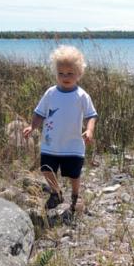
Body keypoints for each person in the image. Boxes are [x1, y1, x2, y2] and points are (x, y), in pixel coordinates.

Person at [23, 45, 97, 214]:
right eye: (61, 73)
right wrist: (32, 126)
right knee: (46, 169)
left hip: (72, 144)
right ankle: (56, 193)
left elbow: (91, 115)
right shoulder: (50, 93)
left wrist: (90, 130)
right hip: (51, 143)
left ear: (79, 73)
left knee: (74, 174)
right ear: (56, 73)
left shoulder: (82, 96)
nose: (65, 77)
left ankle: (75, 196)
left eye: (70, 73)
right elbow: (39, 113)